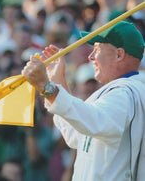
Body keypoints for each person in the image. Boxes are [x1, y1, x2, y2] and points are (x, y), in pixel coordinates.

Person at [22, 21, 145, 180]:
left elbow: (93, 120)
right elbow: (76, 135)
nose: (91, 56)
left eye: (98, 49)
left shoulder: (125, 93)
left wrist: (48, 88)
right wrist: (56, 81)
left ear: (119, 54)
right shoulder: (120, 91)